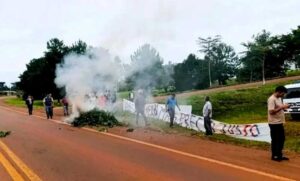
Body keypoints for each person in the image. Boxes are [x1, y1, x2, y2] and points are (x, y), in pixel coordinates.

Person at [268, 86, 290, 161]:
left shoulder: (279, 98)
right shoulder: (271, 99)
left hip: (279, 122)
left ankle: (279, 155)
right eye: (283, 94)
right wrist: (282, 107)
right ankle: (274, 156)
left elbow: (278, 108)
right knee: (275, 139)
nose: (283, 95)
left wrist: (284, 107)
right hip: (274, 123)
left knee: (281, 139)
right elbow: (271, 112)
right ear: (279, 92)